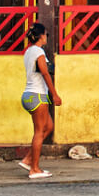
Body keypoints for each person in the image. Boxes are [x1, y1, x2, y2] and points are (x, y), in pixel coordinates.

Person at [18, 23, 61, 178]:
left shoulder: (29, 51)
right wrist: (54, 94)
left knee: (48, 127)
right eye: (46, 35)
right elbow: (45, 73)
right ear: (41, 36)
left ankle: (28, 159)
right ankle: (34, 169)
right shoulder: (39, 52)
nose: (46, 37)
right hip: (37, 95)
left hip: (28, 94)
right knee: (38, 131)